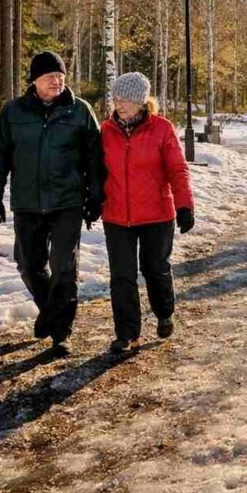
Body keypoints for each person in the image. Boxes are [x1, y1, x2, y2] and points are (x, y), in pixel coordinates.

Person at [0, 51, 104, 356]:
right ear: (34, 80)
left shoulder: (80, 110)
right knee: (28, 265)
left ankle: (61, 332)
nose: (57, 82)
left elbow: (96, 157)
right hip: (27, 202)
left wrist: (95, 196)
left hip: (68, 202)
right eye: (50, 76)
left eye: (61, 77)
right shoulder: (13, 112)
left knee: (64, 267)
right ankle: (50, 311)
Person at [100, 72, 195, 354]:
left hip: (157, 215)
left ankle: (164, 313)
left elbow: (177, 169)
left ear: (141, 102)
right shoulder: (106, 130)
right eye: (116, 99)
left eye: (125, 100)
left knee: (155, 269)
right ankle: (127, 333)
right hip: (117, 215)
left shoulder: (162, 129)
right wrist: (93, 199)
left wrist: (185, 205)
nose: (119, 105)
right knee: (122, 276)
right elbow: (95, 170)